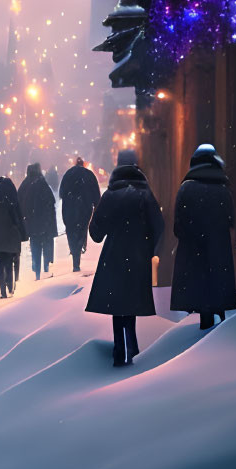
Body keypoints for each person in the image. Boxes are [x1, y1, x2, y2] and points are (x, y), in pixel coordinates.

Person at [87, 148, 165, 366]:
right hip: (138, 259)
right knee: (130, 303)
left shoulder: (111, 195)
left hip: (114, 258)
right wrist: (148, 248)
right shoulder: (146, 195)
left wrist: (97, 215)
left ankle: (119, 351)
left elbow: (95, 234)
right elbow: (159, 226)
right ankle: (133, 349)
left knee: (117, 304)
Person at [170, 144, 236, 331]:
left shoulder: (186, 189)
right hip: (219, 254)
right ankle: (221, 334)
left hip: (194, 255)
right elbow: (231, 221)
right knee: (219, 297)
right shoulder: (223, 189)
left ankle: (204, 334)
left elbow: (178, 226)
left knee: (202, 302)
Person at [60, 155, 100, 273]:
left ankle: (75, 254)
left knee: (71, 230)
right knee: (82, 227)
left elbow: (62, 193)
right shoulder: (89, 175)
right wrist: (96, 206)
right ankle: (80, 246)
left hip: (69, 207)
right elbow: (96, 195)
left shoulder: (68, 174)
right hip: (85, 206)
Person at [18, 162, 57, 280]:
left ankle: (37, 269)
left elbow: (21, 204)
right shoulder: (44, 185)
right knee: (45, 244)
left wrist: (24, 219)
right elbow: (52, 204)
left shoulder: (25, 184)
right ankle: (45, 266)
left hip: (33, 224)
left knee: (35, 246)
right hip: (45, 224)